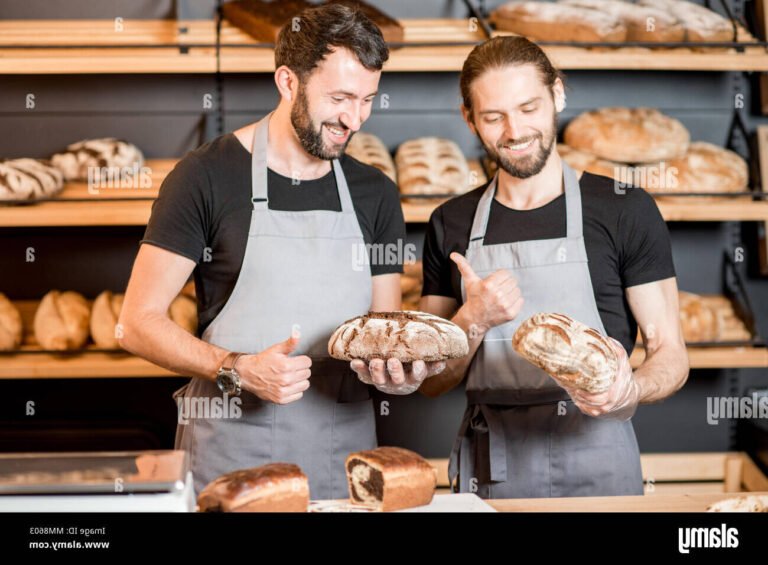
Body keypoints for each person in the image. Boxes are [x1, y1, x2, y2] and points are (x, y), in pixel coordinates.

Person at [119, 4, 441, 498]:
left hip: (344, 459)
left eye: (367, 100)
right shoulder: (205, 177)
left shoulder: (375, 193)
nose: (354, 119)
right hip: (233, 456)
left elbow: (382, 332)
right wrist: (236, 367)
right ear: (288, 81)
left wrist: (397, 376)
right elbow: (136, 323)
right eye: (339, 98)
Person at [418, 36, 689, 498]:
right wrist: (472, 320)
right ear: (469, 118)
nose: (515, 130)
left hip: (599, 457)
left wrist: (630, 389)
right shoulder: (451, 222)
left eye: (529, 108)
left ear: (557, 94)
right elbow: (430, 380)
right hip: (493, 468)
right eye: (493, 116)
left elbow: (670, 353)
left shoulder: (624, 209)